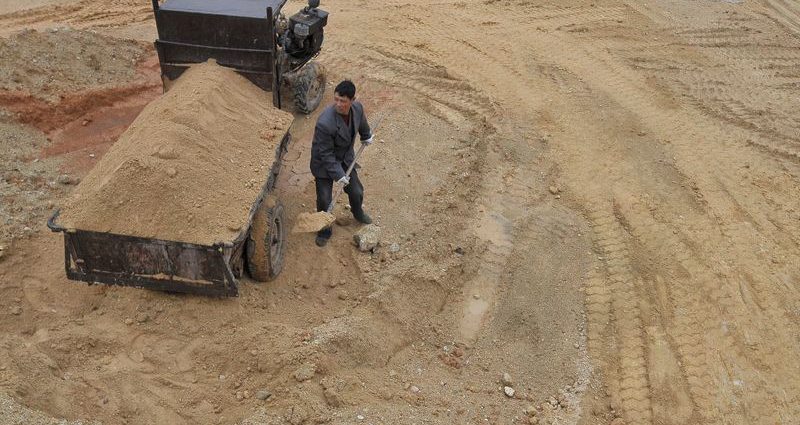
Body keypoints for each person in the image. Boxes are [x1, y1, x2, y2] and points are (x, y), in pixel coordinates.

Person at [309, 80, 373, 247]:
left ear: (352, 100)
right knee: (324, 199)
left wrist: (366, 135)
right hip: (324, 164)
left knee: (357, 191)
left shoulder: (357, 109)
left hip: (345, 159)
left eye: (343, 101)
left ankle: (358, 213)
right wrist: (339, 175)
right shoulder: (325, 122)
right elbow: (326, 154)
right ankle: (324, 230)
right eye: (336, 99)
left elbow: (362, 124)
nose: (338, 104)